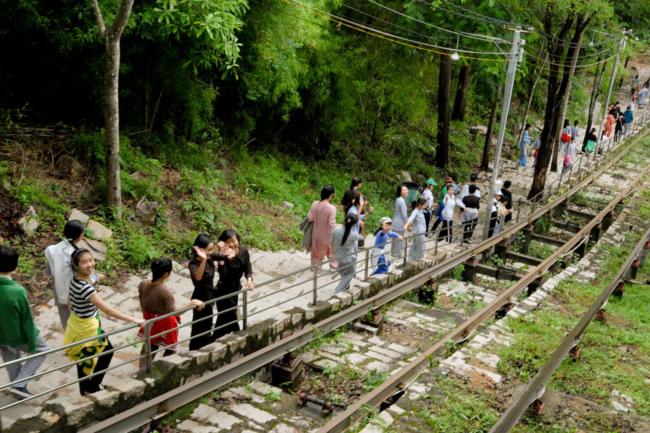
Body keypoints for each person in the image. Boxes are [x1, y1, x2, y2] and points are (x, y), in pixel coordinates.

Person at [63, 249, 142, 395]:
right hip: (87, 327)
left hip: (77, 322)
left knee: (85, 358)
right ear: (76, 266)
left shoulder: (75, 279)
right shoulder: (86, 289)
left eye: (91, 260)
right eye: (84, 262)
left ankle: (86, 389)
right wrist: (134, 319)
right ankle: (91, 387)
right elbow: (108, 310)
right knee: (104, 353)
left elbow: (70, 300)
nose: (89, 264)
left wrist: (99, 277)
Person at [0, 246, 48, 399]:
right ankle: (19, 384)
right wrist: (32, 343)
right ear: (15, 265)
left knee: (11, 360)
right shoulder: (17, 291)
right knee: (42, 349)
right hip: (18, 335)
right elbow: (26, 319)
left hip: (2, 336)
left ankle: (18, 391)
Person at [137, 258, 204, 368]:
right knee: (170, 348)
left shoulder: (143, 284)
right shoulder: (165, 292)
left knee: (149, 346)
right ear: (166, 274)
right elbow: (175, 312)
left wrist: (146, 315)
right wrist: (192, 303)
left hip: (150, 320)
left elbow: (141, 300)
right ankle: (164, 368)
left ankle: (143, 369)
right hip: (165, 323)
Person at [44, 220, 103, 328]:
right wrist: (98, 277)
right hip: (75, 294)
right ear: (80, 236)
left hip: (59, 290)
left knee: (66, 321)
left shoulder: (51, 250)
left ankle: (70, 336)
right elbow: (86, 275)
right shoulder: (77, 255)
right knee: (80, 322)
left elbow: (49, 271)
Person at [188, 234, 232, 350]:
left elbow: (224, 257)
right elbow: (198, 278)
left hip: (209, 295)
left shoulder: (210, 257)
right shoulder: (193, 264)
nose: (210, 252)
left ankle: (205, 346)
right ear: (201, 249)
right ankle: (195, 348)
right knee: (199, 325)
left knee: (208, 323)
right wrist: (203, 259)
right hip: (200, 297)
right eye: (209, 250)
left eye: (211, 249)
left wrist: (224, 249)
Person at [212, 230, 253, 339]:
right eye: (228, 242)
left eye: (233, 241)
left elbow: (247, 267)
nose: (231, 244)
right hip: (223, 289)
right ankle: (232, 334)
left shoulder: (244, 252)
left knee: (227, 315)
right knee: (227, 315)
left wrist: (249, 280)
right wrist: (221, 256)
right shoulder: (223, 255)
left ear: (238, 240)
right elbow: (223, 275)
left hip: (235, 288)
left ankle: (217, 337)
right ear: (223, 243)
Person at [307, 185, 337, 270]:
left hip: (315, 234)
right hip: (327, 235)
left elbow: (310, 218)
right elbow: (332, 224)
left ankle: (315, 269)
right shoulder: (332, 208)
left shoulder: (315, 204)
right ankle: (334, 266)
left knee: (316, 253)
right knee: (331, 250)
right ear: (331, 195)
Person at [332, 213, 363, 293]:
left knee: (344, 275)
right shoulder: (353, 234)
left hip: (338, 257)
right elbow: (362, 240)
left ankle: (345, 287)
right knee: (348, 276)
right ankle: (337, 292)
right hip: (348, 259)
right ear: (354, 225)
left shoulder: (336, 229)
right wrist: (362, 228)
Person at [391, 184, 408, 259]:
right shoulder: (402, 201)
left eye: (406, 190)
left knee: (395, 240)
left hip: (395, 222)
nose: (406, 191)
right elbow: (404, 215)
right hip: (400, 223)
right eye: (404, 190)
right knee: (399, 239)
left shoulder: (398, 199)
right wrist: (407, 224)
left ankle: (394, 254)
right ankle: (397, 255)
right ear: (400, 192)